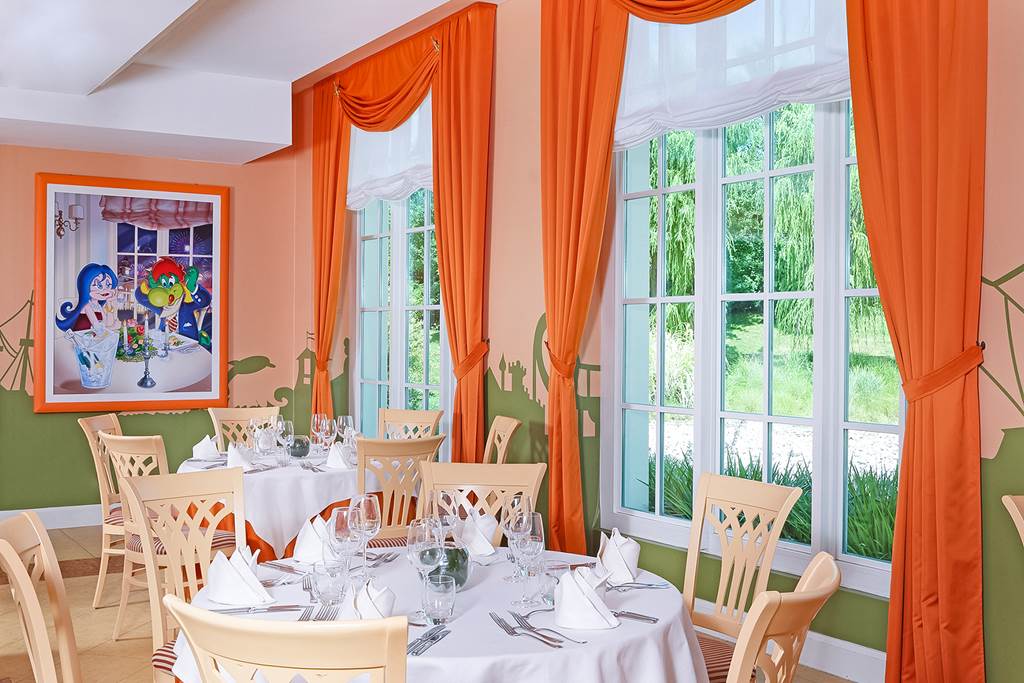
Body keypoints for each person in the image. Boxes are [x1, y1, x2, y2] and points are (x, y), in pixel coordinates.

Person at [54, 263, 118, 333]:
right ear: (86, 286)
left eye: (108, 285)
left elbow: (106, 324)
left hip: (92, 337)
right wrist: (113, 327)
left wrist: (108, 302)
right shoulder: (88, 307)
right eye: (99, 286)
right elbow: (98, 329)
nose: (105, 290)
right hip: (83, 338)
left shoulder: (98, 306)